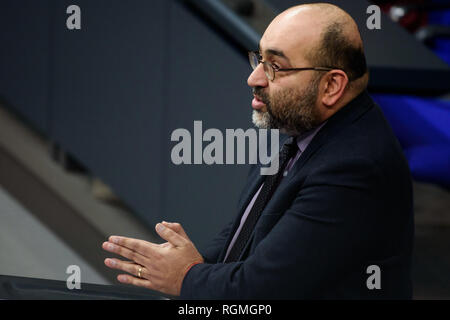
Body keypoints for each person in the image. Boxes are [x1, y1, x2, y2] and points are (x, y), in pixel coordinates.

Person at [102, 3, 414, 299]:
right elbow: (243, 236)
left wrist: (185, 277)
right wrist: (187, 263)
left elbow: (262, 290)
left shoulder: (355, 169)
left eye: (276, 67)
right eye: (259, 59)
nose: (254, 78)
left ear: (331, 86)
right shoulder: (299, 126)